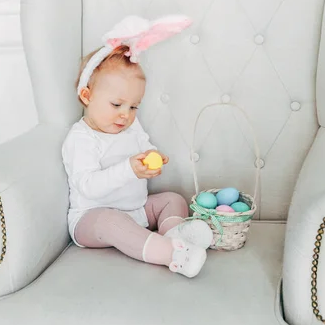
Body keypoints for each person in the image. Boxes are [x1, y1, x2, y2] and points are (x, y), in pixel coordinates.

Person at [61, 15, 213, 278]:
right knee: (112, 222)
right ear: (87, 96)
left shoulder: (130, 126)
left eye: (133, 107)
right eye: (116, 105)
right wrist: (129, 170)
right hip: (91, 218)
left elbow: (144, 144)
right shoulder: (82, 138)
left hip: (136, 210)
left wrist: (152, 156)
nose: (126, 115)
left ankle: (177, 236)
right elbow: (89, 186)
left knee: (173, 200)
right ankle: (172, 255)